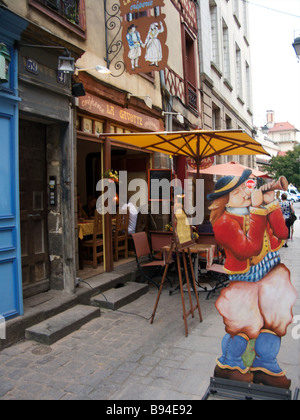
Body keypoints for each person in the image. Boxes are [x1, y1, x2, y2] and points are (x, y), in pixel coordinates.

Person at [207, 169, 297, 389]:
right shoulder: (223, 223)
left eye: (244, 190)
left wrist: (270, 203)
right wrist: (258, 210)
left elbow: (282, 233)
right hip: (244, 280)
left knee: (273, 323)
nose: (246, 195)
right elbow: (249, 249)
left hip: (271, 275)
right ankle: (230, 366)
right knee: (242, 326)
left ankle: (265, 365)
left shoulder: (254, 211)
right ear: (224, 200)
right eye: (238, 193)